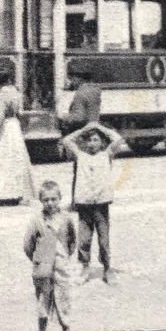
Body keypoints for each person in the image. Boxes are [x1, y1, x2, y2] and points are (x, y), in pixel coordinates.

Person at [60, 120, 130, 282]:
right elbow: (66, 141)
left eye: (96, 140)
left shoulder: (106, 155)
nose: (92, 143)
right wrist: (85, 128)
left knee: (103, 238)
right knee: (84, 238)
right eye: (89, 140)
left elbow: (118, 139)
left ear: (102, 143)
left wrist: (99, 127)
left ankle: (107, 268)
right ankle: (85, 268)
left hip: (101, 204)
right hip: (84, 204)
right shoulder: (81, 155)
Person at [22, 179, 78, 331]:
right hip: (43, 269)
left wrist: (65, 256)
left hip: (61, 266)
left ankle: (66, 328)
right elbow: (28, 244)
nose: (50, 203)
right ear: (41, 201)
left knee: (64, 297)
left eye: (53, 199)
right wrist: (38, 259)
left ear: (60, 198)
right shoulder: (36, 221)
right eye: (46, 200)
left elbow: (72, 241)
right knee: (43, 300)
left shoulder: (66, 219)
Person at [0, 65, 35, 205]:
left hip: (5, 128)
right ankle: (18, 192)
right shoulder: (15, 91)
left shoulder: (2, 94)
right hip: (14, 126)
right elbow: (20, 112)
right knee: (16, 159)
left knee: (1, 159)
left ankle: (2, 193)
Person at [62, 68, 101, 136]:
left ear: (79, 79)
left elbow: (79, 118)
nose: (71, 81)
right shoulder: (94, 91)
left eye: (72, 78)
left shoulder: (80, 94)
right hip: (93, 129)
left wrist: (64, 117)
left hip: (82, 133)